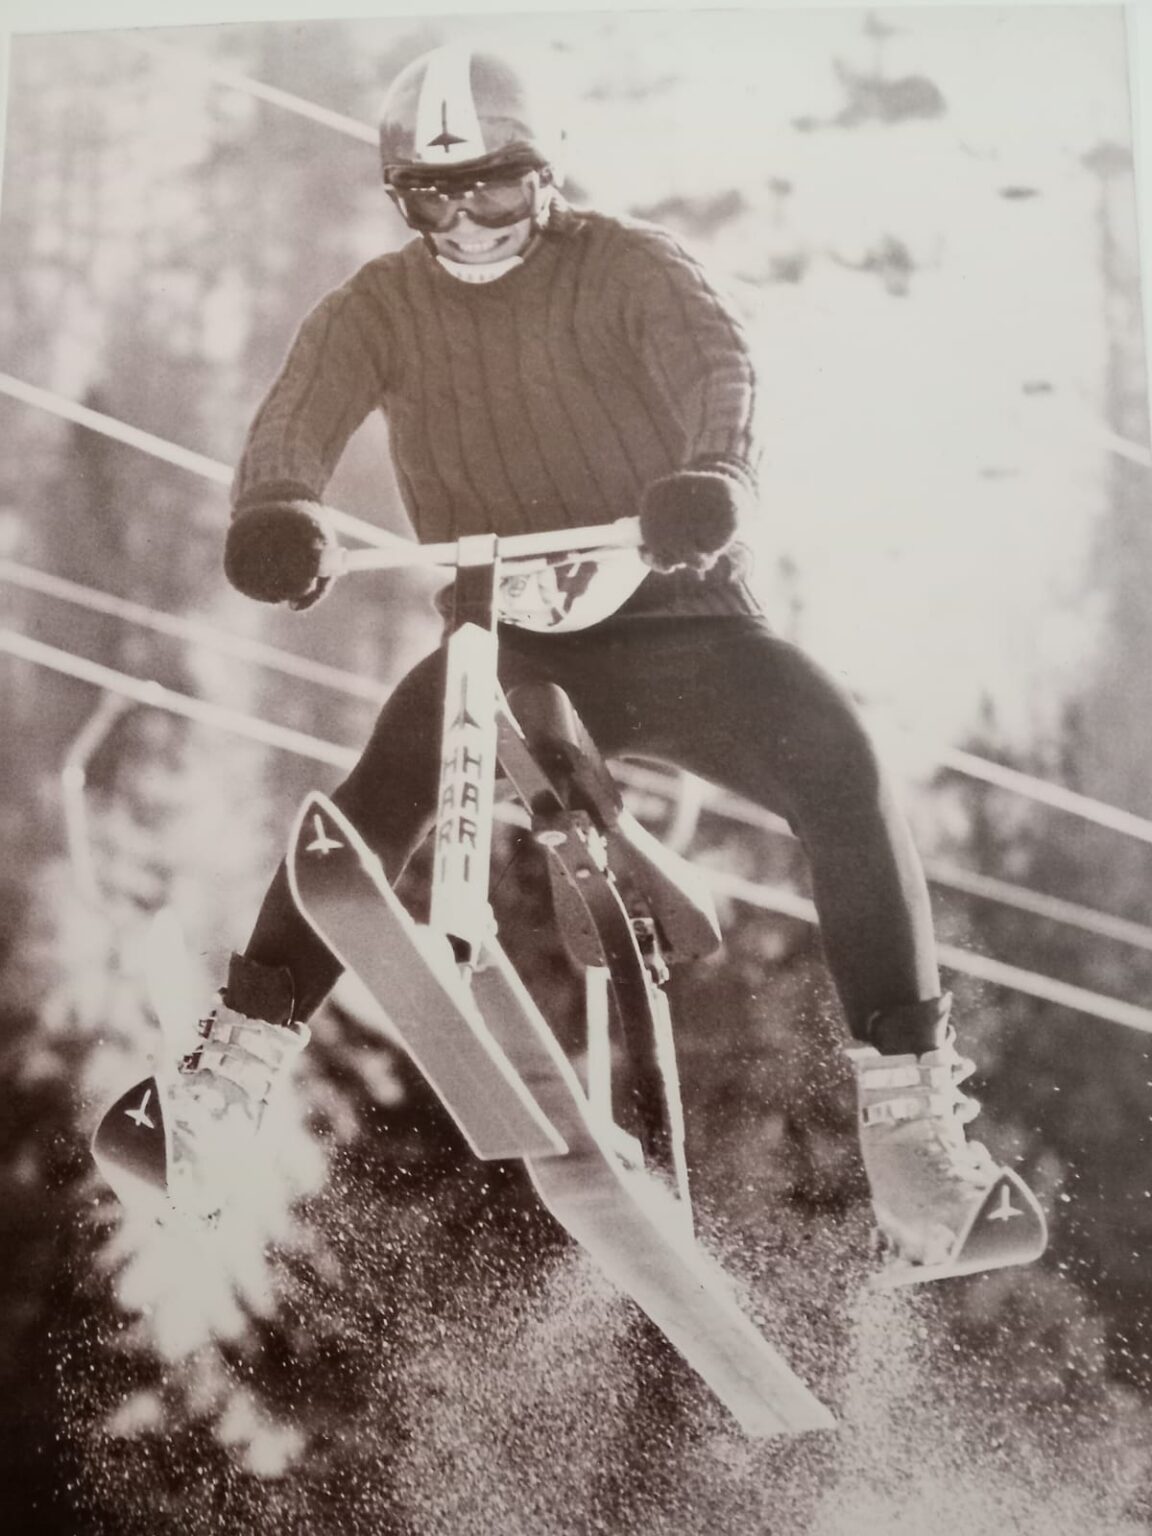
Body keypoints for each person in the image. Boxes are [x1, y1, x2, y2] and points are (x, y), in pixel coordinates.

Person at [95, 44, 1045, 1281]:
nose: (464, 222)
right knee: (391, 779)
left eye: (491, 189)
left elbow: (720, 365)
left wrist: (714, 478)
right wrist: (281, 507)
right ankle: (223, 1091)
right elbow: (303, 409)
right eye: (431, 198)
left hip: (680, 624)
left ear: (544, 178)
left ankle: (915, 1137)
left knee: (840, 768)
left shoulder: (627, 267)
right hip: (511, 633)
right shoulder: (380, 306)